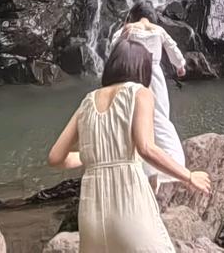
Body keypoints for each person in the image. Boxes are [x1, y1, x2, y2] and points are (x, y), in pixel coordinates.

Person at [47, 39, 211, 253]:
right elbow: (146, 148)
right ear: (142, 68)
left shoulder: (87, 102)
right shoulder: (139, 93)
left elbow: (55, 157)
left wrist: (92, 157)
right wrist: (188, 176)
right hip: (128, 203)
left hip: (92, 213)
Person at [107, 1, 186, 186]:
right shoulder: (157, 30)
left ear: (134, 15)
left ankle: (142, 168)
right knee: (159, 117)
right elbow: (172, 48)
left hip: (133, 74)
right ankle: (170, 163)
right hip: (155, 76)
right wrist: (180, 65)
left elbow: (113, 47)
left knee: (134, 119)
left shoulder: (128, 28)